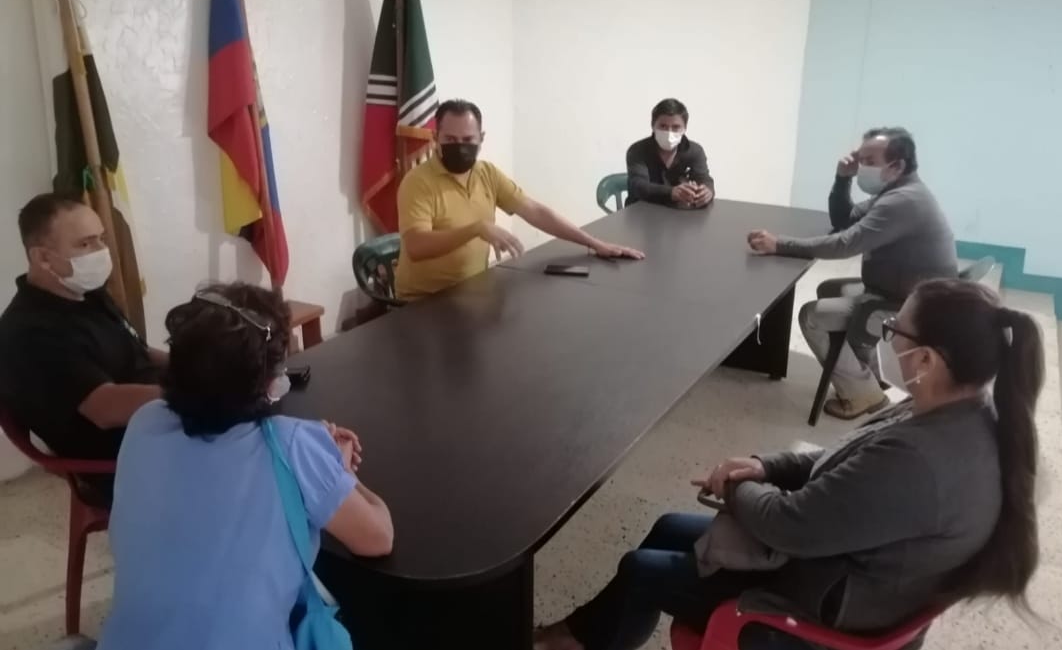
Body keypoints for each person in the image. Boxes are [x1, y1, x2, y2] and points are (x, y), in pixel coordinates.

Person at [535, 279, 1043, 650]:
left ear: (927, 360)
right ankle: (585, 633)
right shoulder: (955, 408)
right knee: (668, 526)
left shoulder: (920, 463)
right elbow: (842, 459)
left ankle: (579, 640)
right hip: (840, 566)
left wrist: (734, 486)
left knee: (641, 570)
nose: (886, 338)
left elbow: (789, 525)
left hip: (817, 604)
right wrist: (764, 467)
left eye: (894, 329)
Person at [98, 283, 394, 650]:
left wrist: (312, 447)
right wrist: (342, 470)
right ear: (269, 382)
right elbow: (378, 538)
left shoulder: (144, 421)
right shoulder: (291, 445)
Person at [747, 127, 957, 420]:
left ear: (897, 166)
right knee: (830, 289)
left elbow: (845, 243)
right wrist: (842, 179)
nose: (861, 167)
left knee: (811, 316)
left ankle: (863, 394)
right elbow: (844, 219)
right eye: (860, 159)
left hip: (910, 304)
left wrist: (780, 244)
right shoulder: (895, 191)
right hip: (901, 290)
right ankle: (870, 371)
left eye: (869, 161)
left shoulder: (903, 201)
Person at [0, 193, 164, 505]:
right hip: (126, 460)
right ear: (43, 258)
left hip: (158, 421)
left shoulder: (86, 293)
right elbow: (106, 408)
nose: (102, 251)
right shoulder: (31, 332)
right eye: (85, 244)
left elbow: (136, 349)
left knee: (259, 422)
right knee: (249, 459)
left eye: (101, 239)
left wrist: (200, 362)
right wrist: (195, 393)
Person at [395, 99, 645, 301]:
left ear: (481, 139)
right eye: (450, 140)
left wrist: (594, 243)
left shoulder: (486, 173)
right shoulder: (417, 182)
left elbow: (534, 211)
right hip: (422, 301)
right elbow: (416, 246)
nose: (460, 147)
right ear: (435, 137)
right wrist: (476, 228)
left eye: (468, 140)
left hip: (472, 291)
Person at [625, 98, 714, 208]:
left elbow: (704, 178)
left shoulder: (694, 151)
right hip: (641, 212)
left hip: (680, 213)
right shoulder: (637, 150)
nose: (669, 132)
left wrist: (707, 192)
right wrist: (671, 192)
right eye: (663, 126)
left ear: (684, 128)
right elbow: (639, 186)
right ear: (653, 126)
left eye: (676, 127)